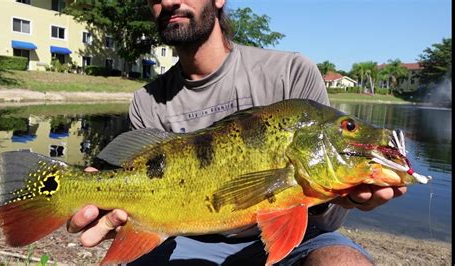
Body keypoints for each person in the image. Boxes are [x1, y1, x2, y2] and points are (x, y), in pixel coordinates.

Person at [67, 0, 407, 265]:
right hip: (185, 238)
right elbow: (147, 200)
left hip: (299, 236)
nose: (169, 2)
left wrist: (346, 195)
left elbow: (325, 216)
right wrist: (110, 211)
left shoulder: (290, 72)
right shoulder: (147, 101)